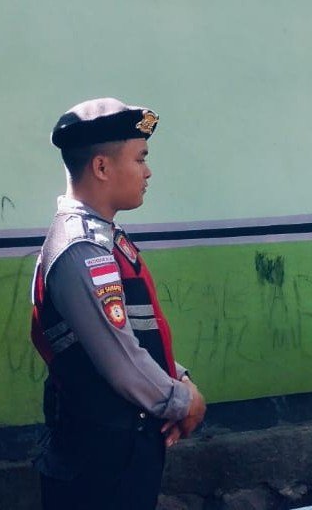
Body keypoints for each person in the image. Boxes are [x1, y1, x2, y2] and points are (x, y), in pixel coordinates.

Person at [30, 98, 206, 510]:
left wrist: (179, 377)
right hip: (100, 455)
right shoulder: (81, 248)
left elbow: (134, 332)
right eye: (140, 158)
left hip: (118, 447)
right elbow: (120, 357)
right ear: (102, 168)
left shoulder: (104, 237)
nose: (148, 172)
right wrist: (183, 401)